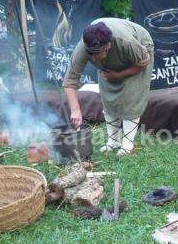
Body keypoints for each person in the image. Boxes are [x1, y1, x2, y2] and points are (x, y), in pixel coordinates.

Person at [63, 18, 154, 156]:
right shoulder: (84, 47)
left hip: (139, 50)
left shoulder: (126, 42)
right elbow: (70, 80)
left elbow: (143, 63)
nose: (94, 59)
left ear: (108, 46)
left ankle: (128, 145)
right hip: (111, 65)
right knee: (108, 96)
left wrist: (119, 75)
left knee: (132, 95)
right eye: (91, 54)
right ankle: (113, 142)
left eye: (98, 54)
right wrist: (75, 111)